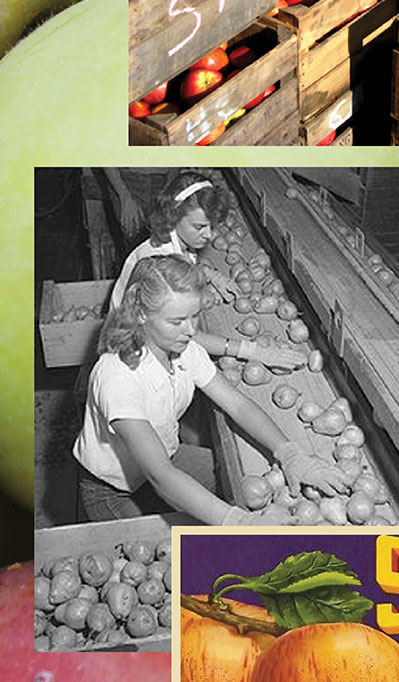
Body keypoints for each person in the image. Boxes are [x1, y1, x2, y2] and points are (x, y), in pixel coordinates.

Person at [74, 256, 345, 525]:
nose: (190, 330)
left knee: (237, 482)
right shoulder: (118, 377)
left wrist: (289, 454)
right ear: (142, 314)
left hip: (167, 455)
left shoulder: (183, 350)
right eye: (177, 321)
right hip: (116, 491)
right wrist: (238, 523)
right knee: (188, 557)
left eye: (195, 316)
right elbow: (161, 475)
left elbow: (237, 404)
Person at [108, 171, 302, 371]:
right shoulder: (156, 259)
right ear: (174, 215)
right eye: (199, 226)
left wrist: (211, 274)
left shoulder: (174, 241)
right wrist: (251, 351)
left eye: (212, 225)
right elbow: (186, 334)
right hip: (136, 351)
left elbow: (179, 263)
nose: (209, 235)